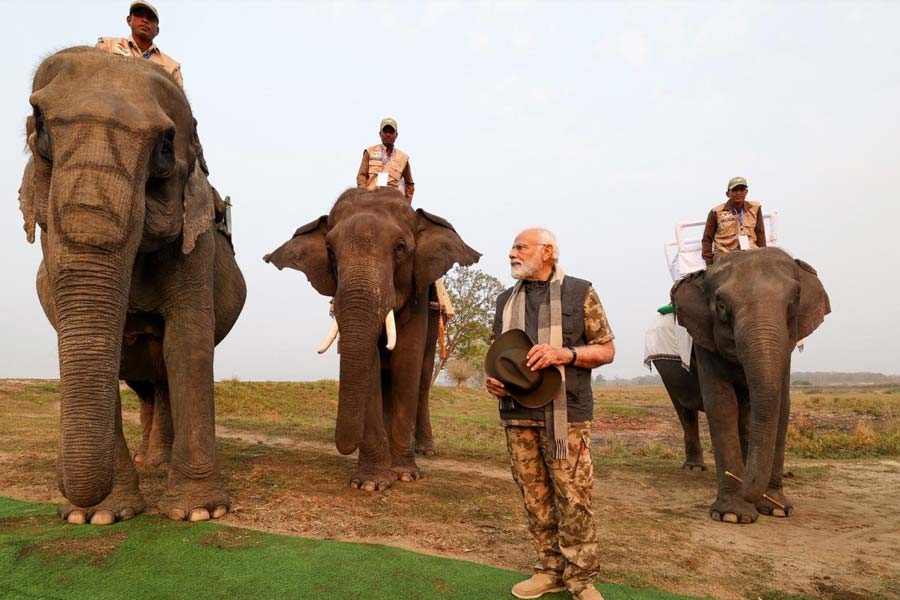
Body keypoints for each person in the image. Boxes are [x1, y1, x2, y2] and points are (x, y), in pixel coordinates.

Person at [484, 228, 615, 600]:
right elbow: (498, 357)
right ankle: (548, 570)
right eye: (511, 246)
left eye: (520, 247)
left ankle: (582, 579)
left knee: (574, 498)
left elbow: (605, 350)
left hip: (566, 415)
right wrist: (492, 380)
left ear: (547, 252)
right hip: (517, 413)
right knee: (535, 497)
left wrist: (564, 354)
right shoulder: (504, 301)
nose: (512, 253)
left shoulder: (579, 291)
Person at [96, 1, 183, 88]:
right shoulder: (107, 45)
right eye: (139, 14)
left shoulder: (171, 67)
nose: (145, 20)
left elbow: (177, 100)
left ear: (157, 30)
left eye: (151, 18)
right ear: (129, 20)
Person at [701, 176, 766, 265]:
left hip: (750, 252)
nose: (738, 193)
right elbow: (707, 239)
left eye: (742, 189)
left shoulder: (755, 208)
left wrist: (764, 255)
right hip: (725, 255)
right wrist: (709, 262)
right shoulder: (716, 212)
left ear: (746, 192)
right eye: (735, 190)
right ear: (728, 194)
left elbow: (760, 233)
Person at [356, 117, 415, 201]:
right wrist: (363, 195)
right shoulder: (369, 152)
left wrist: (406, 204)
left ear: (396, 135)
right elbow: (362, 176)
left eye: (391, 132)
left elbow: (409, 184)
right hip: (371, 197)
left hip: (392, 201)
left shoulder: (403, 158)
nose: (388, 134)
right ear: (380, 134)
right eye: (385, 131)